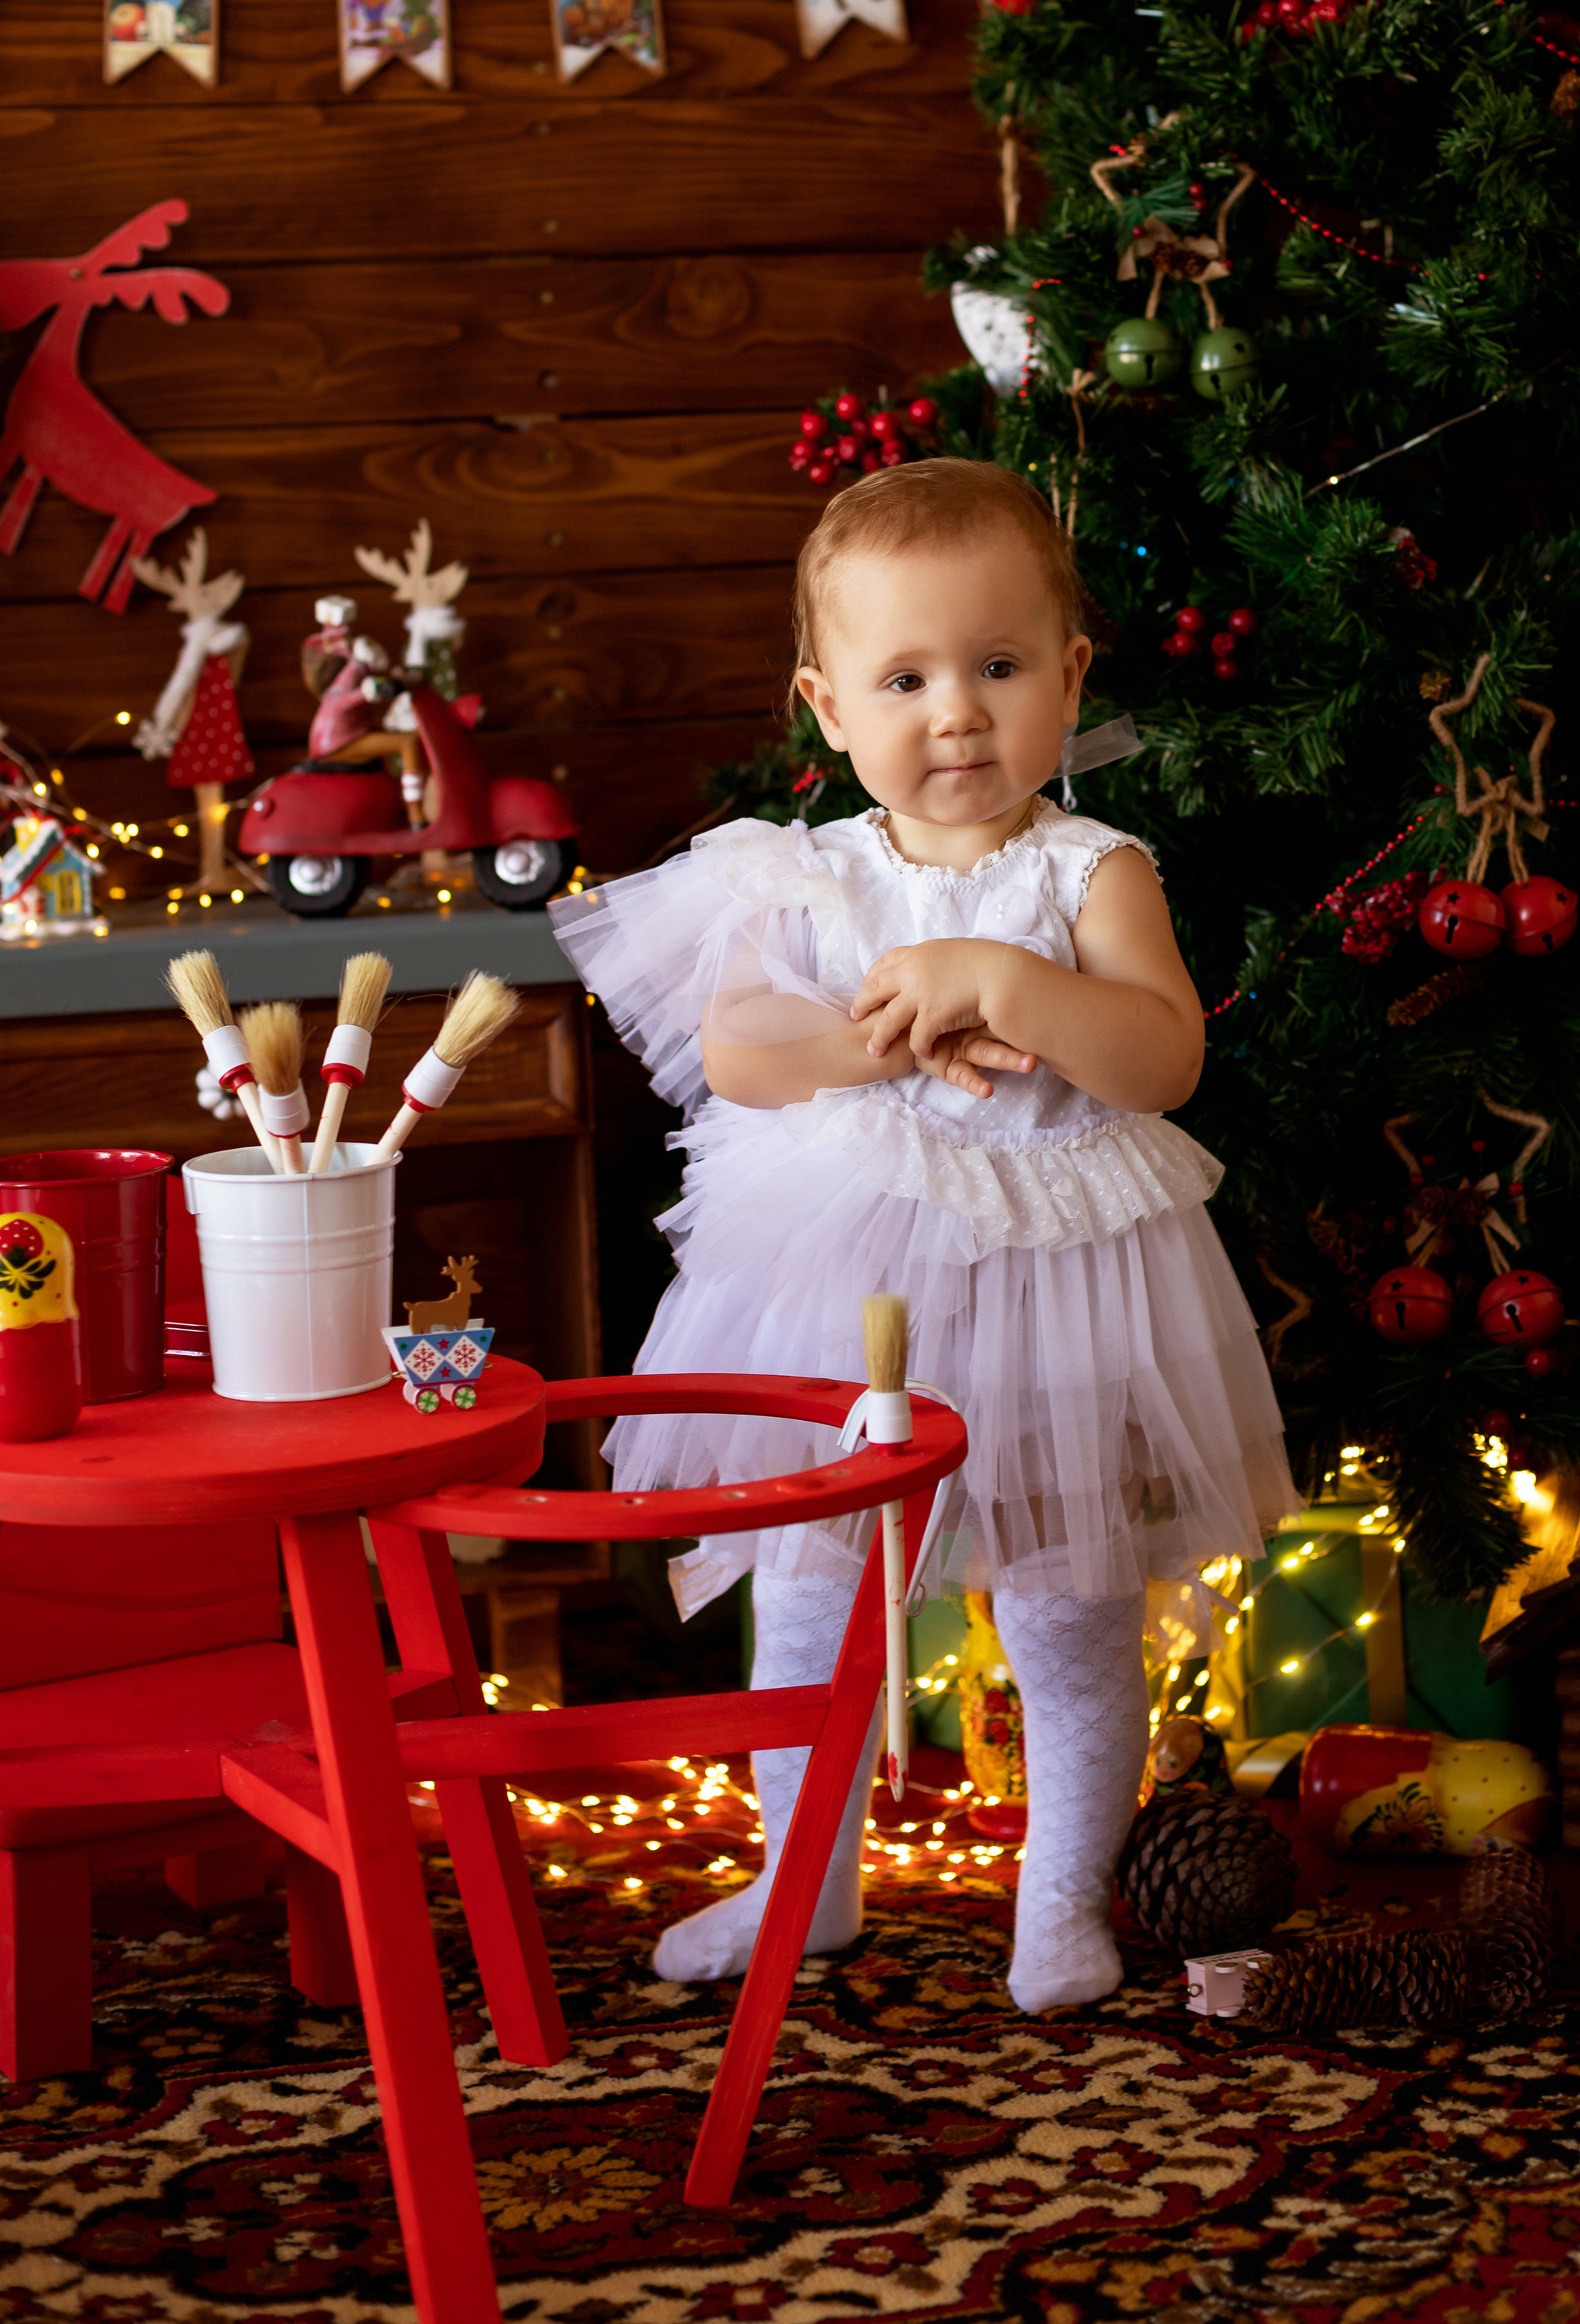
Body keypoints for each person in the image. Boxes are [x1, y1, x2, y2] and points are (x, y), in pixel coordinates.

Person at [555, 457, 1295, 2012]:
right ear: (826, 706)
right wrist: (888, 1032)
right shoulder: (804, 871)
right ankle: (799, 1885)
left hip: (1060, 1293)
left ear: (1068, 676)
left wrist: (1009, 983)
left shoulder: (1090, 870)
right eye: (905, 677)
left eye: (998, 667)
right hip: (845, 1287)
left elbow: (1161, 1057)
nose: (954, 712)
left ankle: (1057, 1909)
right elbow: (745, 1048)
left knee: (1064, 1609)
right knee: (813, 1594)